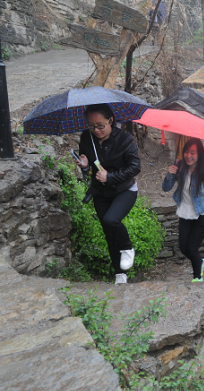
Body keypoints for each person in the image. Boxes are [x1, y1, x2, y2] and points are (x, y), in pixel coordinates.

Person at [77, 104, 140, 284]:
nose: (96, 130)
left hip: (124, 190)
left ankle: (128, 248)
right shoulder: (86, 137)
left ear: (111, 120)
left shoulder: (125, 140)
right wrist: (84, 163)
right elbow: (86, 158)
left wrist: (110, 176)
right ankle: (119, 273)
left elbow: (135, 167)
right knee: (109, 232)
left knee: (111, 220)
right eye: (91, 125)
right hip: (101, 192)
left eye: (100, 125)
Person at [162, 138, 204, 283]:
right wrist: (169, 174)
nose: (189, 155)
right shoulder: (179, 166)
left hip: (202, 215)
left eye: (193, 152)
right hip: (185, 213)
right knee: (183, 247)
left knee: (192, 248)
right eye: (186, 152)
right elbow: (166, 188)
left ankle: (197, 277)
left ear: (199, 154)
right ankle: (200, 263)